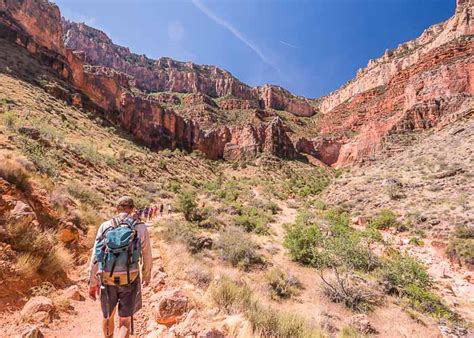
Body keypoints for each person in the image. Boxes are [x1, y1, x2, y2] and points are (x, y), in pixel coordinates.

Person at [88, 196, 153, 338]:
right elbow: (147, 253)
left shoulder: (105, 226)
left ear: (116, 209)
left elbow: (95, 256)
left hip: (107, 277)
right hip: (130, 277)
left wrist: (93, 282)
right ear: (132, 209)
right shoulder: (140, 227)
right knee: (124, 321)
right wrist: (146, 275)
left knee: (107, 317)